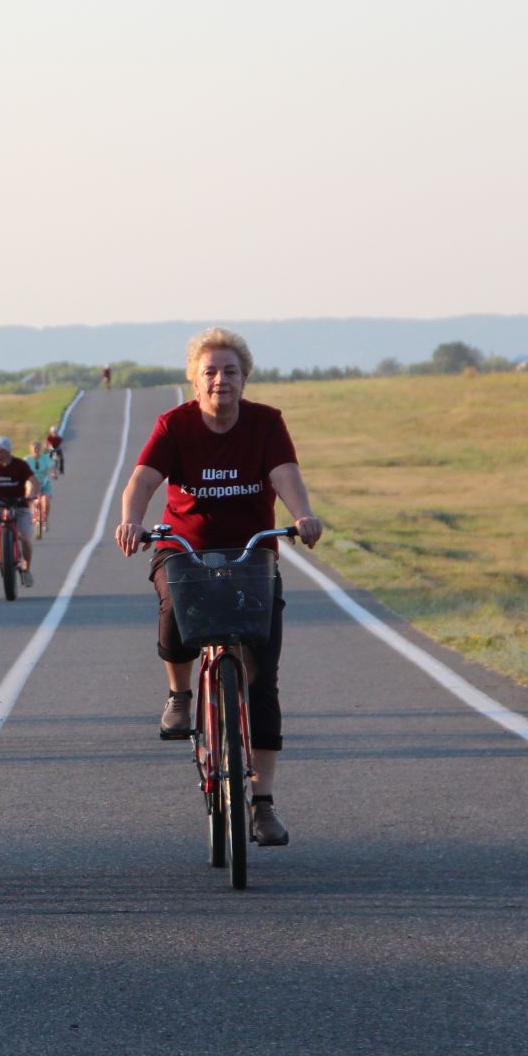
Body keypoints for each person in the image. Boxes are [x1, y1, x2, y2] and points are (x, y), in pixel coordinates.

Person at [113, 328, 323, 847]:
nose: (220, 380)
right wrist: (131, 521)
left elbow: (285, 473)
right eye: (210, 371)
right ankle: (180, 694)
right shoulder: (175, 424)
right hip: (186, 550)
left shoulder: (266, 423)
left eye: (230, 371)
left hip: (252, 553)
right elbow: (141, 480)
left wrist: (303, 514)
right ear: (194, 378)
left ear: (244, 377)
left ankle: (263, 804)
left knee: (262, 677)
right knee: (174, 614)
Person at [0, 435, 40, 586]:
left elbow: (34, 482)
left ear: (5, 451)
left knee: (25, 539)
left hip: (19, 504)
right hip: (0, 503)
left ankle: (26, 569)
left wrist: (32, 494)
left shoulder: (20, 465)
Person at [26, 438, 56, 534]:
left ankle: (45, 519)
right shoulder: (27, 460)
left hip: (44, 482)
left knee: (46, 501)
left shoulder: (45, 458)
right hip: (32, 483)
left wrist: (53, 473)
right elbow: (21, 470)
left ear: (40, 449)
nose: (36, 450)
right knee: (28, 496)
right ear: (31, 449)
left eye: (37, 448)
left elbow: (51, 467)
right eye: (34, 448)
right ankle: (29, 514)